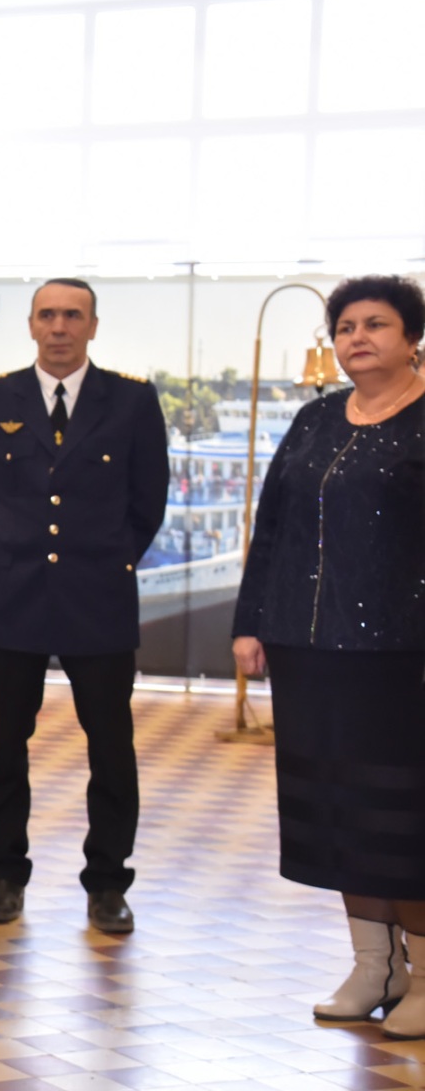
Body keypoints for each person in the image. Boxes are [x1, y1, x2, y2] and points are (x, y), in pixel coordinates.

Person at [231, 274, 425, 1040]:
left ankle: (424, 974)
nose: (357, 338)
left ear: (412, 339)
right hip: (308, 648)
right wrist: (251, 621)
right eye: (345, 327)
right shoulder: (315, 419)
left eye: (376, 324)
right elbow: (273, 524)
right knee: (340, 809)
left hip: (400, 654)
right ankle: (374, 965)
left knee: (401, 815)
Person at [0, 277, 168, 934]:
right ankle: (3, 875)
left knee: (111, 747)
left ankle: (108, 882)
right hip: (14, 596)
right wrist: (14, 547)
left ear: (93, 326)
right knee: (4, 746)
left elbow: (148, 500)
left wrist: (106, 556)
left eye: (73, 315)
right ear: (30, 324)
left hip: (98, 597)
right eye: (47, 315)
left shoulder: (131, 401)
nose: (59, 327)